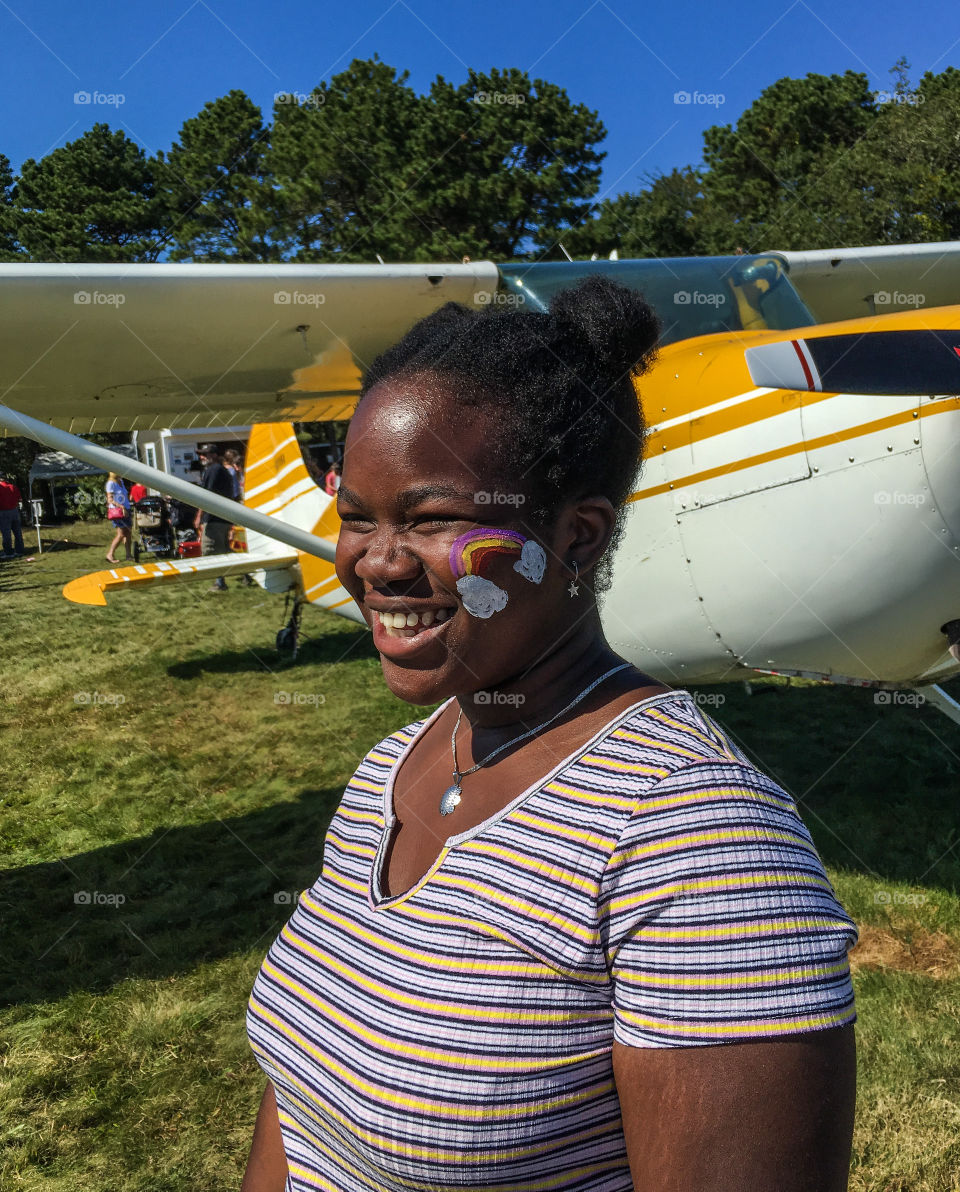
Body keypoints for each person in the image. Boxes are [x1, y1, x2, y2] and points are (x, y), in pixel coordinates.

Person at [242, 278, 859, 1192]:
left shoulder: (700, 846)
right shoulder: (390, 771)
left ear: (577, 537)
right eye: (358, 516)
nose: (375, 562)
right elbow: (298, 1112)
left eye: (433, 516)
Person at [194, 444, 237, 591]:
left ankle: (220, 583)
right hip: (223, 517)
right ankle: (248, 573)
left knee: (210, 550)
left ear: (213, 455)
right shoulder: (223, 470)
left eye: (204, 454)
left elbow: (207, 495)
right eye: (201, 454)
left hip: (213, 518)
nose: (201, 457)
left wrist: (199, 516)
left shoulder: (213, 470)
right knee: (225, 550)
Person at [104, 472, 132, 564]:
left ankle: (128, 555)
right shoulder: (110, 483)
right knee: (121, 534)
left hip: (126, 510)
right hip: (118, 511)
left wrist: (126, 506)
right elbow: (110, 499)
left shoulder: (121, 481)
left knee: (128, 533)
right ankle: (110, 554)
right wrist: (121, 506)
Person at [0, 470, 25, 558]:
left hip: (3, 512)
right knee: (17, 532)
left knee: (6, 533)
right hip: (14, 511)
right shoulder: (13, 487)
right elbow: (20, 499)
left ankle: (8, 552)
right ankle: (20, 550)